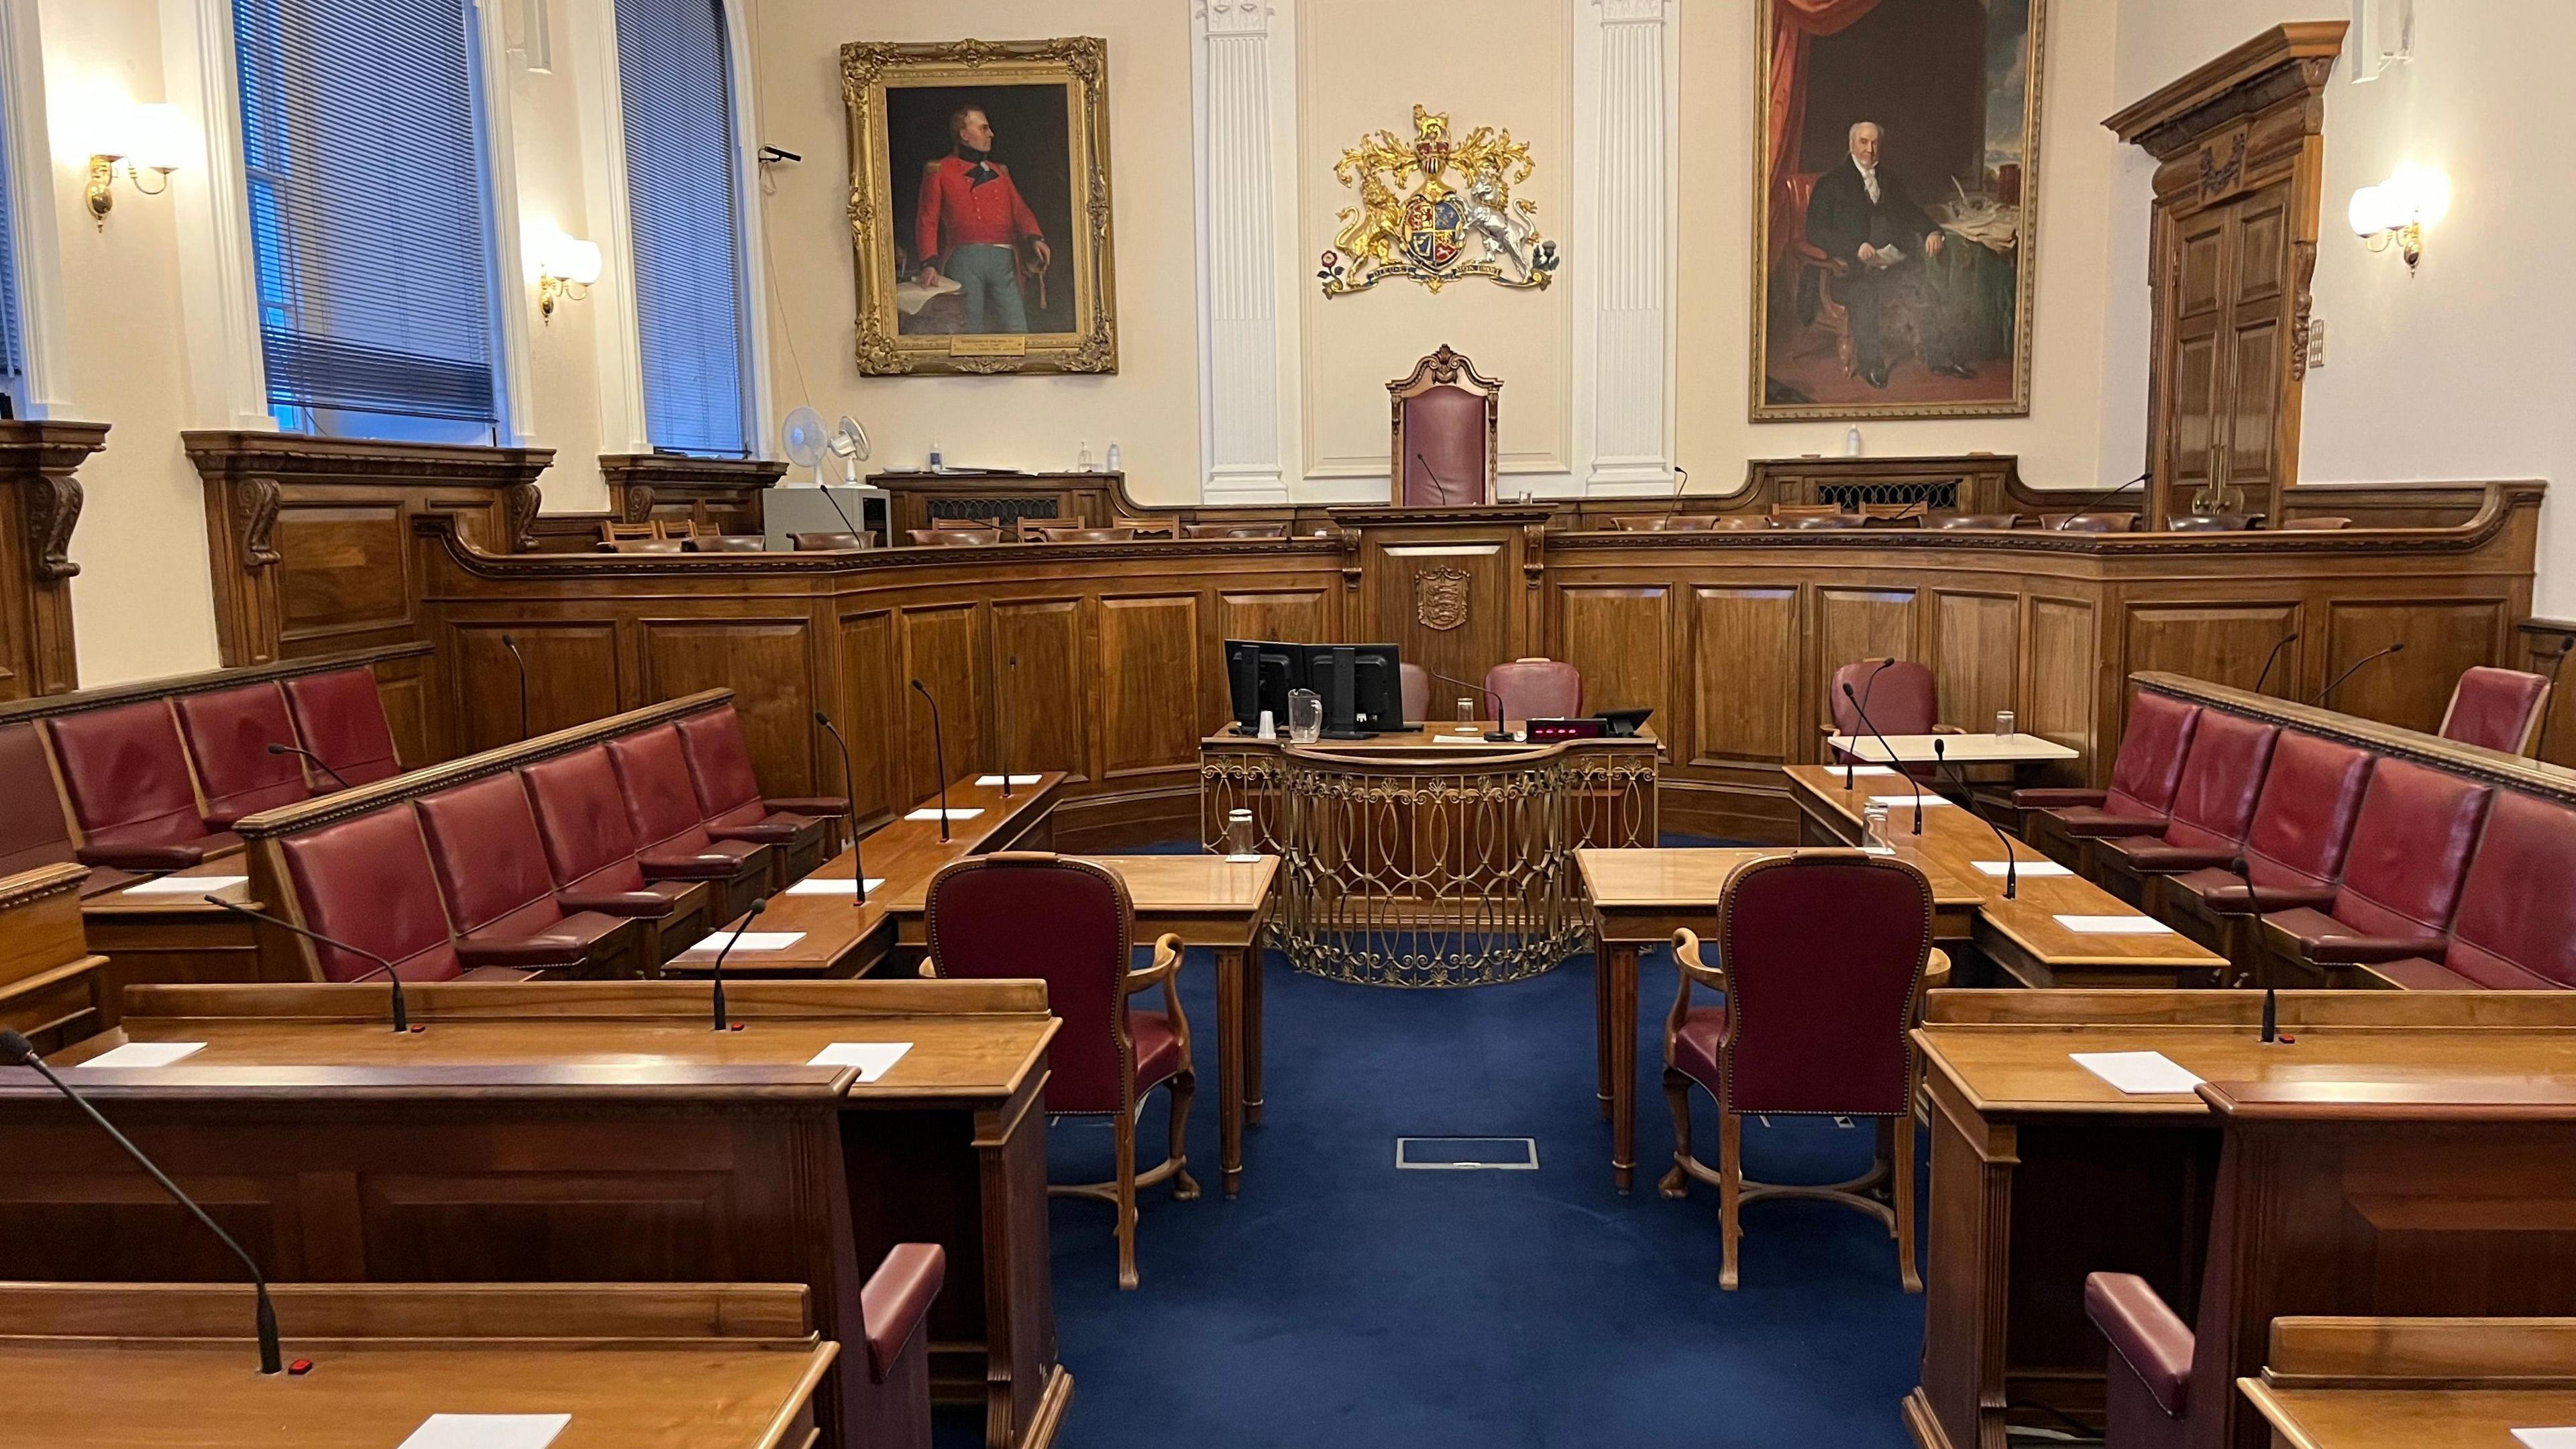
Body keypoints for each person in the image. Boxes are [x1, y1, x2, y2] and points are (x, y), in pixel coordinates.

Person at [1803, 121, 1971, 388]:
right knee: (1865, 294)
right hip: (1846, 272)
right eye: (1863, 142)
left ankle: (1942, 360)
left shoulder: (1889, 181)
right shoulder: (1830, 184)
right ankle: (1871, 365)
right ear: (1851, 145)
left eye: (1875, 143)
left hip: (1887, 267)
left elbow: (1911, 211)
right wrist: (1854, 246)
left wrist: (1931, 231)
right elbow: (1815, 231)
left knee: (1922, 289)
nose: (1870, 149)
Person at [914, 106, 1052, 333]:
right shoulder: (940, 171)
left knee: (1017, 328)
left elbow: (1020, 210)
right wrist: (929, 263)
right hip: (964, 260)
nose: (991, 134)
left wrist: (1035, 237)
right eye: (983, 128)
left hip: (1005, 260)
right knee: (969, 327)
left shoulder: (1000, 172)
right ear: (964, 135)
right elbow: (927, 220)